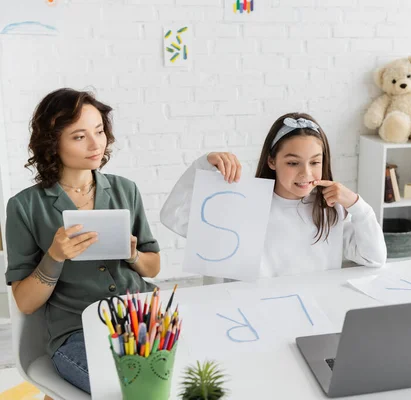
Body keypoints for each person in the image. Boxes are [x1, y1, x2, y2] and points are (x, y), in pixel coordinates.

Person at [4, 88, 160, 395]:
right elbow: (25, 301)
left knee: (190, 377)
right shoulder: (24, 206)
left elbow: (152, 266)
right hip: (78, 333)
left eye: (99, 131)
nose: (95, 144)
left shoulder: (125, 190)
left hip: (144, 318)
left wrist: (132, 255)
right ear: (52, 144)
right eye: (79, 136)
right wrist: (54, 256)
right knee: (132, 389)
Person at [160, 112, 386, 277]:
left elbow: (374, 258)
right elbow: (172, 217)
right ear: (272, 161)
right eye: (292, 162)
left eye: (315, 162)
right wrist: (202, 165)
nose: (305, 173)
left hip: (315, 313)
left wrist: (357, 205)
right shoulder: (245, 204)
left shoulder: (329, 209)